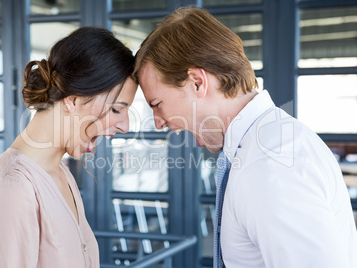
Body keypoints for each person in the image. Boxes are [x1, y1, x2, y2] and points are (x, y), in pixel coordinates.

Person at [133, 7, 357, 268]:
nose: (158, 122)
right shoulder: (266, 144)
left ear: (197, 82)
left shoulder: (269, 166)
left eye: (157, 103)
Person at [0, 27, 137, 268]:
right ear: (74, 100)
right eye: (117, 109)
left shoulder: (61, 173)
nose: (125, 125)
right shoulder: (10, 187)